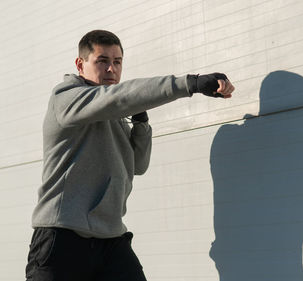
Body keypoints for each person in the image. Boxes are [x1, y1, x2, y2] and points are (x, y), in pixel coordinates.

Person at [25, 29, 235, 281]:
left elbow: (137, 165)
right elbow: (119, 98)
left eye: (117, 62)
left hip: (111, 239)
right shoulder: (65, 98)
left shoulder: (114, 112)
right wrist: (189, 83)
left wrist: (141, 124)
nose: (111, 69)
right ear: (80, 64)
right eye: (102, 61)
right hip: (62, 238)